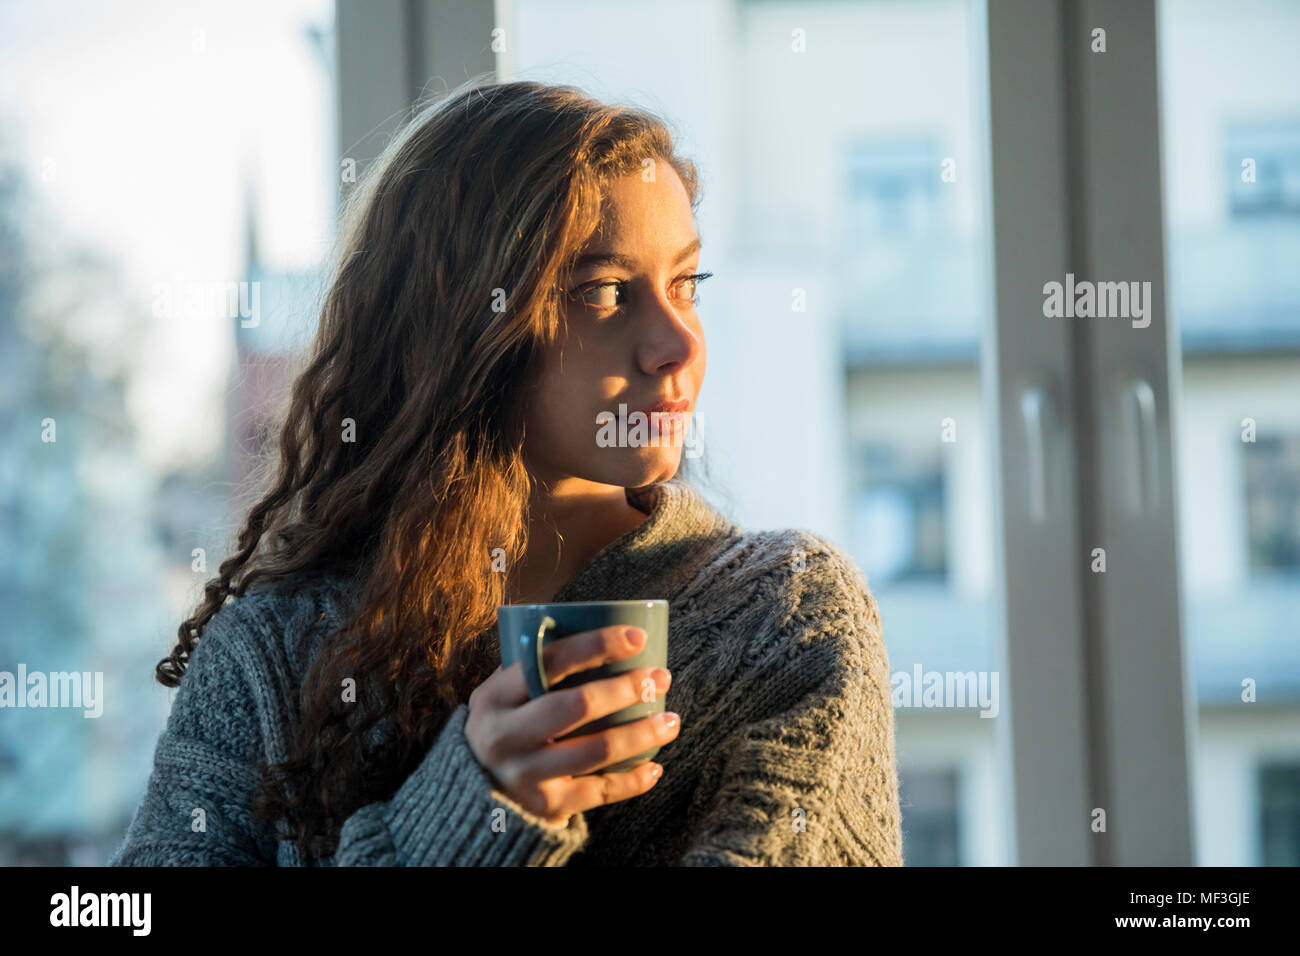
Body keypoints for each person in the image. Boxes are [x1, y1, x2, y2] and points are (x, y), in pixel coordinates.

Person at [109, 78, 903, 867]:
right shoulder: (270, 654)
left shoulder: (789, 616)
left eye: (685, 284)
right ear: (456, 330)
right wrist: (464, 820)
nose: (680, 343)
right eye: (604, 292)